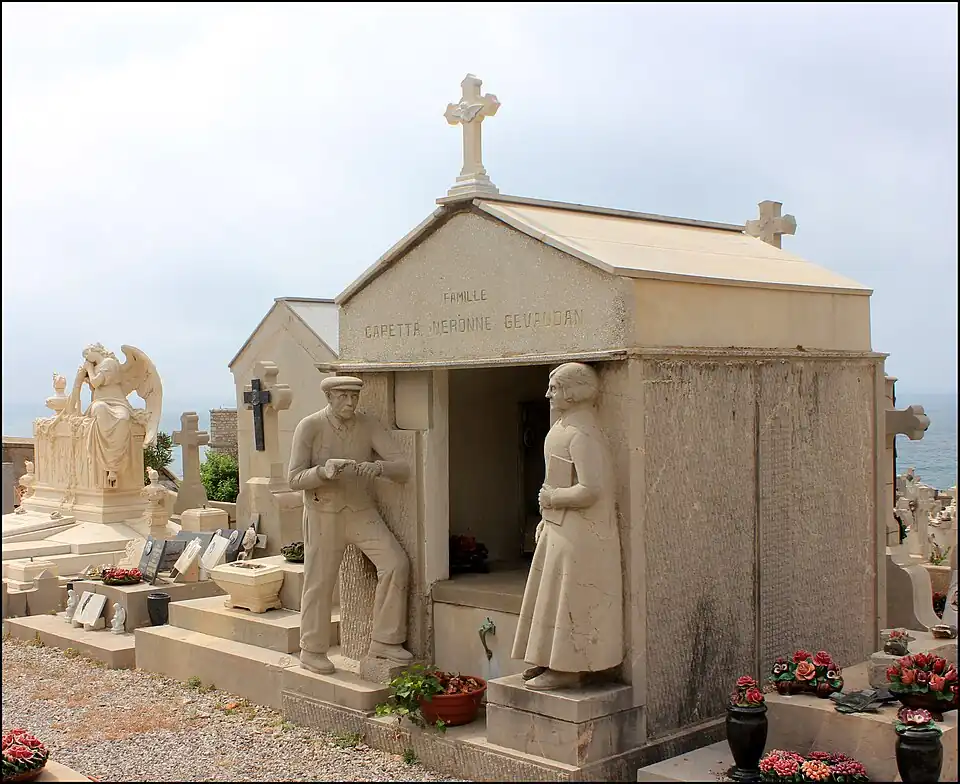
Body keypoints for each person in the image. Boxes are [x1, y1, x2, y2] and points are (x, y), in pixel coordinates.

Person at [288, 375, 412, 675]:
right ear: (329, 397)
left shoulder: (368, 425)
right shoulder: (310, 426)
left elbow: (403, 468)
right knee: (319, 582)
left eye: (354, 397)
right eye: (343, 396)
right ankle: (312, 649)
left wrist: (378, 467)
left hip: (360, 510)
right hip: (323, 513)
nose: (350, 402)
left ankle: (385, 640)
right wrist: (323, 472)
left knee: (396, 563)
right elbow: (294, 479)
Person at [512, 362, 623, 691]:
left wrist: (553, 498)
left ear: (574, 393)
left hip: (580, 531)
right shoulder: (564, 428)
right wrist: (546, 516)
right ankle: (550, 659)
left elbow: (591, 489)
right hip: (559, 526)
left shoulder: (583, 434)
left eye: (555, 388)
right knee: (550, 595)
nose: (548, 395)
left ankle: (568, 668)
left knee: (569, 599)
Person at [69, 343, 134, 487]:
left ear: (94, 351)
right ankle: (108, 465)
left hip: (117, 402)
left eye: (87, 354)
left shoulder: (109, 363)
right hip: (100, 402)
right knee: (100, 409)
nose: (86, 358)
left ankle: (113, 466)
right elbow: (92, 386)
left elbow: (96, 382)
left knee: (123, 418)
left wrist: (89, 369)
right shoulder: (96, 367)